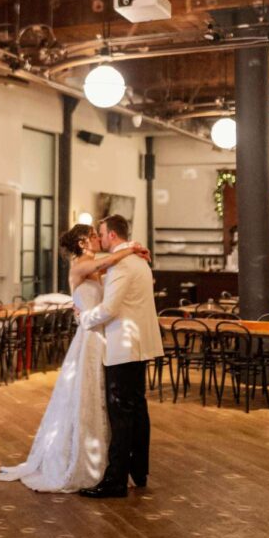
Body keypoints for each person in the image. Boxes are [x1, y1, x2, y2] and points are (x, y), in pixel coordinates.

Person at [0, 223, 151, 493]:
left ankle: (107, 462)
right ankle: (82, 460)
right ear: (81, 243)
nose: (96, 238)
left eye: (97, 234)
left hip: (103, 336)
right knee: (86, 395)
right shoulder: (79, 266)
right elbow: (109, 260)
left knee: (104, 399)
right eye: (92, 236)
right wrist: (131, 249)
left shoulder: (95, 266)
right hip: (89, 338)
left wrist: (132, 252)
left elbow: (109, 264)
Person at [78, 214, 164, 499]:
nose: (100, 239)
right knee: (138, 409)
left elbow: (110, 308)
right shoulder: (139, 260)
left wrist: (84, 318)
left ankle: (115, 480)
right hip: (140, 345)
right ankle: (139, 471)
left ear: (112, 235)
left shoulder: (123, 265)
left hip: (124, 347)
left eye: (102, 234)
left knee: (121, 415)